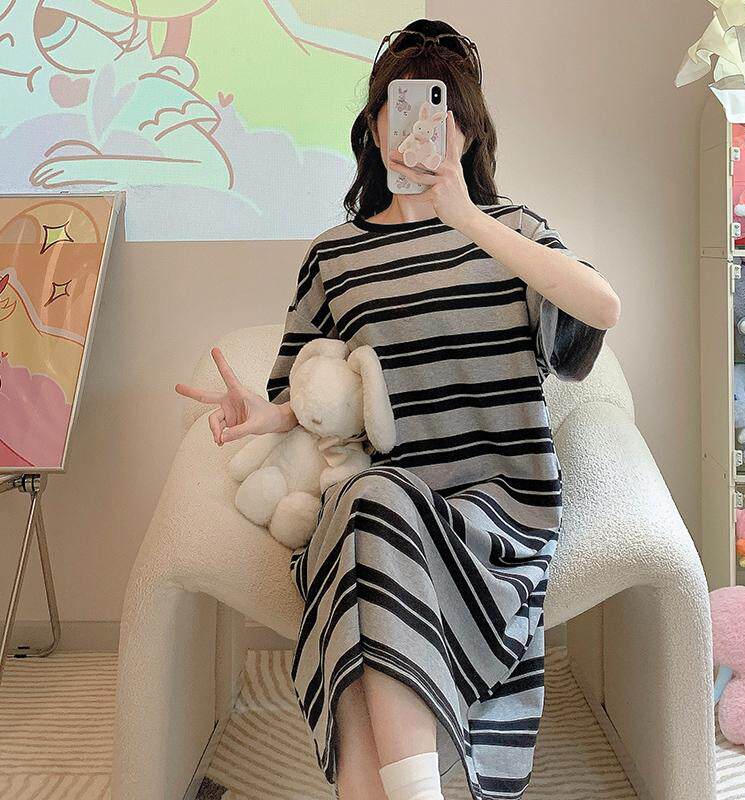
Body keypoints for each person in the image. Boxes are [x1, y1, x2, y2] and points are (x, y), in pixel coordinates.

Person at [176, 17, 620, 800]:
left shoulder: (511, 232)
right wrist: (269, 416)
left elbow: (602, 308)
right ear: (376, 127)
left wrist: (467, 217)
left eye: (439, 110)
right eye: (400, 107)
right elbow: (311, 389)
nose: (417, 128)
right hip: (376, 513)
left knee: (365, 545)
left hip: (496, 515)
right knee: (369, 510)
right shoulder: (334, 255)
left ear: (466, 131)